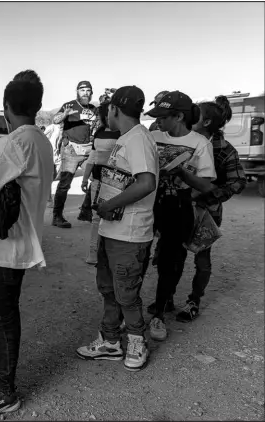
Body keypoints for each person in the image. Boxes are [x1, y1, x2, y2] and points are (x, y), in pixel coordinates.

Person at [0, 72, 55, 419]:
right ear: (38, 105)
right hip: (21, 240)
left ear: (5, 107)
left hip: (8, 245)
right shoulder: (41, 139)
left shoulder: (14, 142)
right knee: (3, 315)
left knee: (3, 318)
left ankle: (5, 389)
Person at [76, 86, 158, 372]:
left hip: (130, 234)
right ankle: (110, 340)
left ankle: (137, 341)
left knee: (126, 293)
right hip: (113, 230)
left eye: (107, 110)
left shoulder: (138, 140)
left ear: (114, 110)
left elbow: (147, 183)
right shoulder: (127, 139)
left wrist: (111, 205)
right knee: (109, 288)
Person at [166, 96, 246, 322]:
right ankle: (167, 297)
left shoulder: (225, 150)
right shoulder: (182, 139)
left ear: (207, 122)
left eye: (197, 113)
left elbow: (238, 181)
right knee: (173, 255)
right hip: (179, 207)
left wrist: (210, 194)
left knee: (202, 258)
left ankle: (194, 301)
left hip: (206, 212)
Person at [144, 91, 216, 342]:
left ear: (179, 116)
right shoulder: (151, 136)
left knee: (169, 262)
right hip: (148, 204)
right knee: (140, 258)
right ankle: (129, 313)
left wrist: (183, 174)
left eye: (163, 117)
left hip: (178, 207)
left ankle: (160, 313)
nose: (158, 122)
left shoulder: (200, 143)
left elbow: (206, 186)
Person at [51, 81, 97, 227]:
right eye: (82, 90)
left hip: (88, 151)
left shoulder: (94, 109)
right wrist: (65, 114)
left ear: (91, 93)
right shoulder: (69, 105)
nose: (85, 93)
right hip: (71, 150)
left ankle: (86, 210)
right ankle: (57, 217)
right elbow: (55, 120)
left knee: (97, 179)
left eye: (88, 90)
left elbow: (97, 127)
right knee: (65, 184)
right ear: (77, 91)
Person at [80, 102, 121, 265]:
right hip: (98, 180)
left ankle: (108, 254)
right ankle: (93, 253)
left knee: (113, 217)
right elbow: (93, 157)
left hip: (114, 181)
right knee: (96, 218)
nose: (98, 117)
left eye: (100, 114)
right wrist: (85, 177)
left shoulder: (122, 133)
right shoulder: (99, 132)